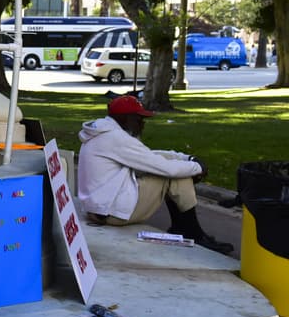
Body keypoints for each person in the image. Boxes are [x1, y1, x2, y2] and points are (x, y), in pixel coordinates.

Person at [76, 94, 234, 254]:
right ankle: (193, 233)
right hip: (111, 214)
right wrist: (198, 168)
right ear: (125, 119)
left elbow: (149, 156)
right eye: (138, 119)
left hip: (98, 210)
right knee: (175, 176)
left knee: (172, 170)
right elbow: (166, 168)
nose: (142, 124)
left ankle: (183, 228)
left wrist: (186, 158)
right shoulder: (116, 138)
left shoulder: (103, 133)